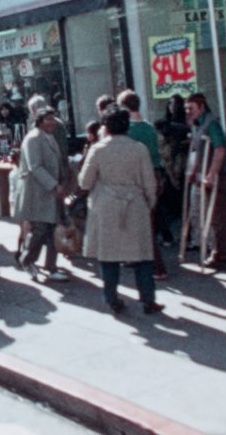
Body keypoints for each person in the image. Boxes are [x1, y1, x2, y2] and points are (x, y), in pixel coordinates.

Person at [79, 104, 164, 315]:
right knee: (142, 254)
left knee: (108, 255)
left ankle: (111, 298)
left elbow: (84, 182)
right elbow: (149, 182)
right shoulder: (139, 149)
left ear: (106, 126)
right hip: (135, 205)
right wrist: (150, 202)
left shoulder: (97, 149)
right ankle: (148, 299)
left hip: (106, 207)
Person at [184, 93, 226, 270]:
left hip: (220, 174)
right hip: (208, 172)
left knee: (217, 215)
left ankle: (219, 255)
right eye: (186, 108)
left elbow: (219, 150)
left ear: (201, 107)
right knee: (221, 213)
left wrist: (211, 174)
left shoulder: (211, 124)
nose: (188, 111)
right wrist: (193, 172)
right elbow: (197, 150)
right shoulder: (197, 124)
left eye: (191, 108)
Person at [117, 89, 169, 279]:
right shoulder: (149, 128)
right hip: (156, 175)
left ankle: (158, 267)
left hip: (139, 178)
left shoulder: (128, 131)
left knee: (143, 224)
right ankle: (135, 257)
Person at [14, 107, 68, 282]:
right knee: (39, 231)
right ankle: (27, 260)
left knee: (52, 230)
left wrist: (61, 183)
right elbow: (35, 166)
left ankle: (51, 267)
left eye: (53, 119)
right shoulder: (33, 138)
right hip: (37, 193)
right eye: (48, 119)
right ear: (39, 121)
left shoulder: (49, 137)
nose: (52, 123)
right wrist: (54, 185)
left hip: (50, 192)